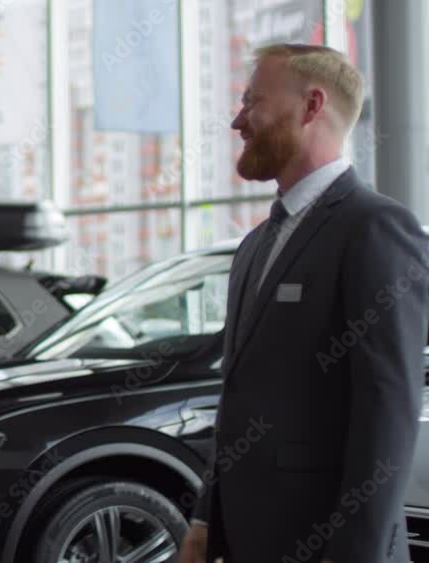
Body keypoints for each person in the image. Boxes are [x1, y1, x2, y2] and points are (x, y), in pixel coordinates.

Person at [179, 43, 429, 563]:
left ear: (312, 106)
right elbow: (238, 397)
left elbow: (388, 412)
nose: (237, 121)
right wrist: (205, 519)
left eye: (252, 101)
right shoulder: (255, 245)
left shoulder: (375, 228)